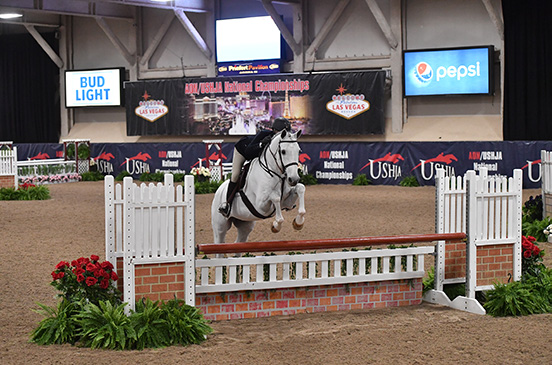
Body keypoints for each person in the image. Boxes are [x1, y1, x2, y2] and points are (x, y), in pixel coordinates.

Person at [219, 117, 292, 217]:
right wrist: (261, 144)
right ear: (275, 131)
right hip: (243, 150)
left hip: (256, 156)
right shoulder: (264, 134)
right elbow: (249, 151)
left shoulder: (279, 143)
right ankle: (227, 205)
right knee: (235, 175)